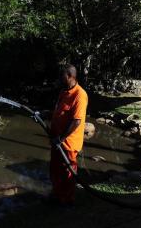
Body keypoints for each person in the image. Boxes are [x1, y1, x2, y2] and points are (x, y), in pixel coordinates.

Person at [49, 64, 88, 206]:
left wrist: (61, 138)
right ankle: (56, 194)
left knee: (68, 172)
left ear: (70, 76)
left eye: (62, 76)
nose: (60, 78)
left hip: (68, 142)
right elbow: (58, 112)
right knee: (55, 169)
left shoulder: (80, 95)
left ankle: (67, 199)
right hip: (56, 140)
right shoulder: (64, 92)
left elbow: (77, 121)